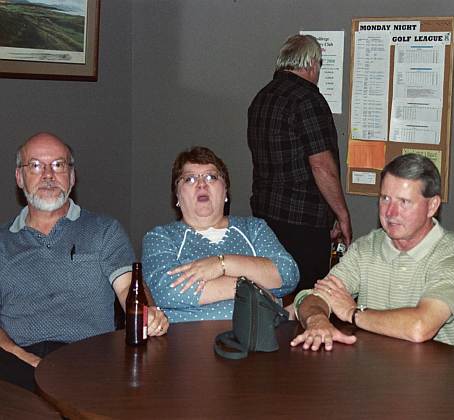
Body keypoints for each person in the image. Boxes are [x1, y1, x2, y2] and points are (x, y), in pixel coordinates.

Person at [0, 132, 168, 392]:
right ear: (19, 177)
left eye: (58, 165)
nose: (48, 175)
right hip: (16, 362)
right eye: (35, 165)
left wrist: (147, 316)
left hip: (88, 361)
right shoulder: (2, 242)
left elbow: (128, 289)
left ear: (72, 176)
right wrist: (23, 357)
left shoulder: (104, 230)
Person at [290, 153, 454, 351]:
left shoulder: (453, 258)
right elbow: (312, 297)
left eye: (404, 202)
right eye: (385, 198)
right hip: (374, 375)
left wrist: (354, 313)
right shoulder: (366, 248)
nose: (390, 213)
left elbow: (420, 327)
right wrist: (317, 320)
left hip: (436, 380)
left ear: (432, 206)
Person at [142, 146, 298, 322]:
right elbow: (165, 291)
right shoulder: (161, 237)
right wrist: (250, 287)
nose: (201, 184)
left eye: (211, 177)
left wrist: (222, 264)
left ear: (225, 191)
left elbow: (287, 275)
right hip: (189, 344)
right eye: (189, 179)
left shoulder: (254, 228)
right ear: (177, 195)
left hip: (258, 342)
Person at [247, 34, 352, 293]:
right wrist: (342, 214)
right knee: (307, 297)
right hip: (303, 222)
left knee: (272, 292)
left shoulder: (261, 98)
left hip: (266, 217)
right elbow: (322, 166)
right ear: (311, 64)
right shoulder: (308, 100)